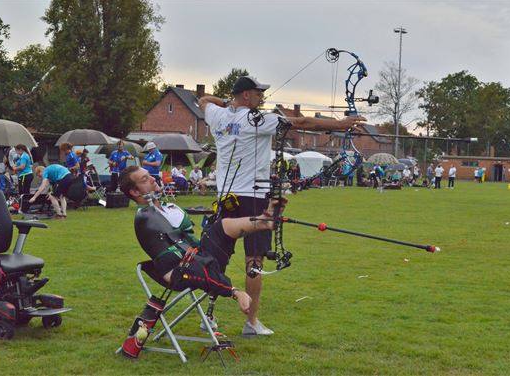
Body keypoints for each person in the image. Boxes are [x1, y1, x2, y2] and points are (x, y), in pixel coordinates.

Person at [198, 75, 366, 336]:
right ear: (245, 96)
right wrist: (340, 123)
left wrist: (227, 104)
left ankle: (206, 315)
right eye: (256, 93)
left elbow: (203, 100)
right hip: (253, 198)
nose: (261, 97)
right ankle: (251, 323)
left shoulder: (219, 116)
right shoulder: (259, 120)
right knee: (254, 261)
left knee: (216, 257)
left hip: (226, 197)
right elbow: (302, 122)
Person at [118, 166, 285, 317]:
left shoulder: (169, 207)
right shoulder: (146, 217)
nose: (153, 179)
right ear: (135, 192)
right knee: (201, 257)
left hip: (195, 256)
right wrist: (234, 291)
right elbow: (182, 258)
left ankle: (264, 220)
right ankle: (262, 223)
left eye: (149, 175)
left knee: (221, 226)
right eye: (145, 179)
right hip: (179, 270)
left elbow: (191, 243)